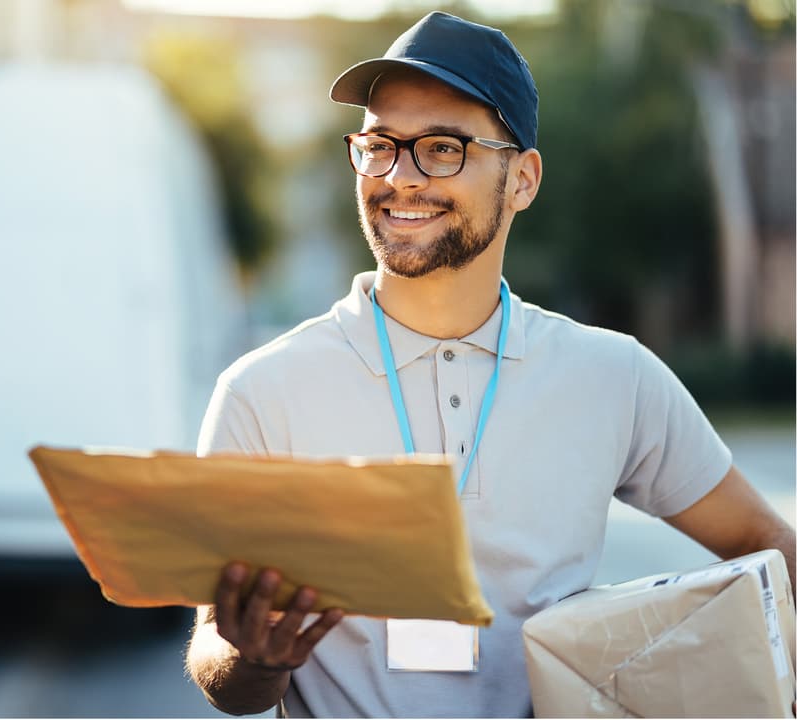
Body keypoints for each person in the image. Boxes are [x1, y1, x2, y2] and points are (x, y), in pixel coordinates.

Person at [185, 11, 796, 718]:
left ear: (523, 179)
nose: (400, 178)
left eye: (441, 148)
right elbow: (218, 663)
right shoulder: (264, 392)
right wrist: (252, 657)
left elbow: (767, 548)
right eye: (379, 145)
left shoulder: (613, 377)